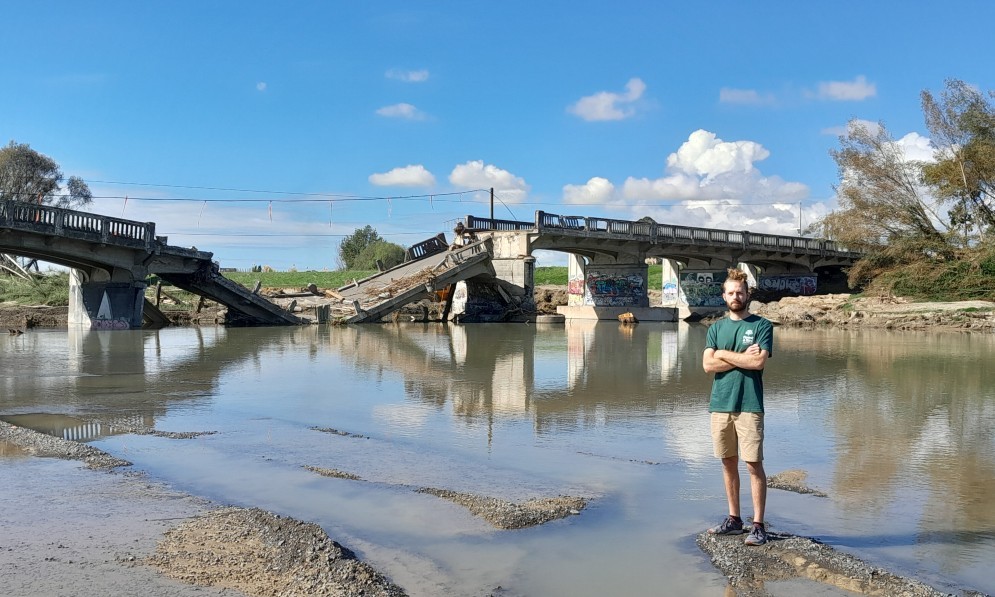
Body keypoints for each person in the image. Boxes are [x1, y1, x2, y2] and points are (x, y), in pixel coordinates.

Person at [702, 267, 773, 546]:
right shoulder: (716, 328)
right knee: (727, 462)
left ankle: (758, 525)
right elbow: (708, 365)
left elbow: (758, 363)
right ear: (724, 296)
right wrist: (739, 355)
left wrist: (722, 354)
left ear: (747, 295)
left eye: (740, 292)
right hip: (720, 404)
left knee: (753, 464)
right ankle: (734, 520)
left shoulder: (761, 326)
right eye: (730, 292)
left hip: (750, 404)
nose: (735, 296)